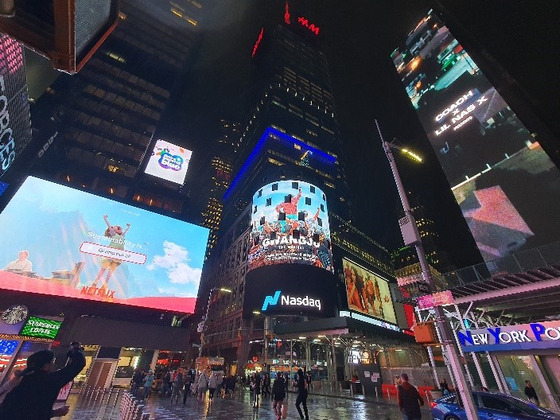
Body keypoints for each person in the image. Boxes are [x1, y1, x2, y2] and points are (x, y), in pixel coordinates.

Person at [0, 342, 86, 420]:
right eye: (52, 361)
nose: (54, 364)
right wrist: (75, 350)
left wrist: (54, 413)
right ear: (45, 366)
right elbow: (77, 364)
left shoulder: (19, 381)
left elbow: (26, 410)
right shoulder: (49, 381)